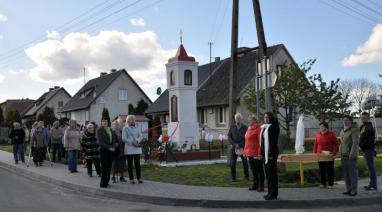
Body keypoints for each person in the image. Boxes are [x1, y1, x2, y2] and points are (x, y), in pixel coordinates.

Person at [313, 122, 339, 189]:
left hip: (329, 156)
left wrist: (333, 153)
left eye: (322, 126)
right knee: (322, 170)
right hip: (320, 155)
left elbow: (336, 144)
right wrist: (314, 153)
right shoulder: (318, 134)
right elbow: (316, 144)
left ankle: (330, 184)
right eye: (320, 126)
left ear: (326, 127)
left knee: (329, 170)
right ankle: (323, 183)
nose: (321, 128)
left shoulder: (331, 134)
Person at [260, 112, 280, 200]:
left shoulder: (274, 127)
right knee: (268, 174)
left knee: (272, 174)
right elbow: (262, 142)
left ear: (271, 118)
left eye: (267, 117)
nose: (265, 119)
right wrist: (261, 152)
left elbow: (273, 142)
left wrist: (270, 153)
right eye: (264, 117)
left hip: (271, 153)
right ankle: (269, 192)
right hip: (265, 153)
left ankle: (274, 193)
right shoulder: (265, 127)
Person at [339, 115, 359, 196]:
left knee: (352, 174)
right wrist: (340, 151)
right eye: (344, 120)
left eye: (347, 120)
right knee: (346, 174)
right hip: (343, 155)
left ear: (351, 121)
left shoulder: (354, 130)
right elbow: (342, 142)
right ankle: (349, 189)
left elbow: (355, 143)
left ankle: (354, 190)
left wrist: (351, 154)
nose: (345, 121)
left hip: (350, 156)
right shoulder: (343, 130)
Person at [244, 114, 264, 192]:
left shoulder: (258, 129)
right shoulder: (249, 129)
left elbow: (260, 142)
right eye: (249, 120)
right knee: (253, 170)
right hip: (249, 153)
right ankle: (255, 184)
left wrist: (259, 153)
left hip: (256, 153)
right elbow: (246, 141)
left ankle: (261, 185)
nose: (249, 121)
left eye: (250, 120)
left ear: (255, 120)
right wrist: (245, 152)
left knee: (259, 170)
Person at [228, 113, 249, 182]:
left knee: (245, 163)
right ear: (235, 119)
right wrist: (234, 144)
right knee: (233, 163)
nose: (238, 119)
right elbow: (229, 137)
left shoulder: (245, 127)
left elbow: (246, 138)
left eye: (239, 118)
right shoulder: (232, 127)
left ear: (241, 119)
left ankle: (246, 177)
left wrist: (239, 144)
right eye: (236, 118)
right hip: (234, 148)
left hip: (243, 147)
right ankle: (233, 178)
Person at [122, 115, 143, 184]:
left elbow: (141, 136)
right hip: (129, 148)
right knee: (130, 164)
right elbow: (124, 138)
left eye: (133, 119)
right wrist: (132, 142)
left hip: (137, 148)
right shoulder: (125, 128)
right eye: (131, 119)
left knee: (137, 164)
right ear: (127, 121)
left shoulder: (137, 127)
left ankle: (139, 178)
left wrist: (137, 141)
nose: (132, 121)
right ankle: (131, 179)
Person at [359, 112, 378, 191]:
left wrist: (361, 146)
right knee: (370, 168)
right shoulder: (363, 127)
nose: (362, 119)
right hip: (366, 150)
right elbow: (362, 138)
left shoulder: (369, 127)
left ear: (368, 118)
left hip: (369, 150)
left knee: (371, 168)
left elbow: (369, 140)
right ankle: (373, 185)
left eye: (364, 118)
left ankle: (373, 185)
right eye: (362, 118)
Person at [97, 117, 115, 188]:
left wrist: (113, 146)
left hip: (110, 151)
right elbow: (100, 142)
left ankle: (107, 182)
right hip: (103, 150)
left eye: (106, 121)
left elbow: (113, 138)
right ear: (101, 122)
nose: (104, 122)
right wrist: (109, 147)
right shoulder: (99, 130)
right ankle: (103, 184)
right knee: (104, 168)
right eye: (103, 121)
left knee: (109, 167)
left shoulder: (110, 129)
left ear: (108, 122)